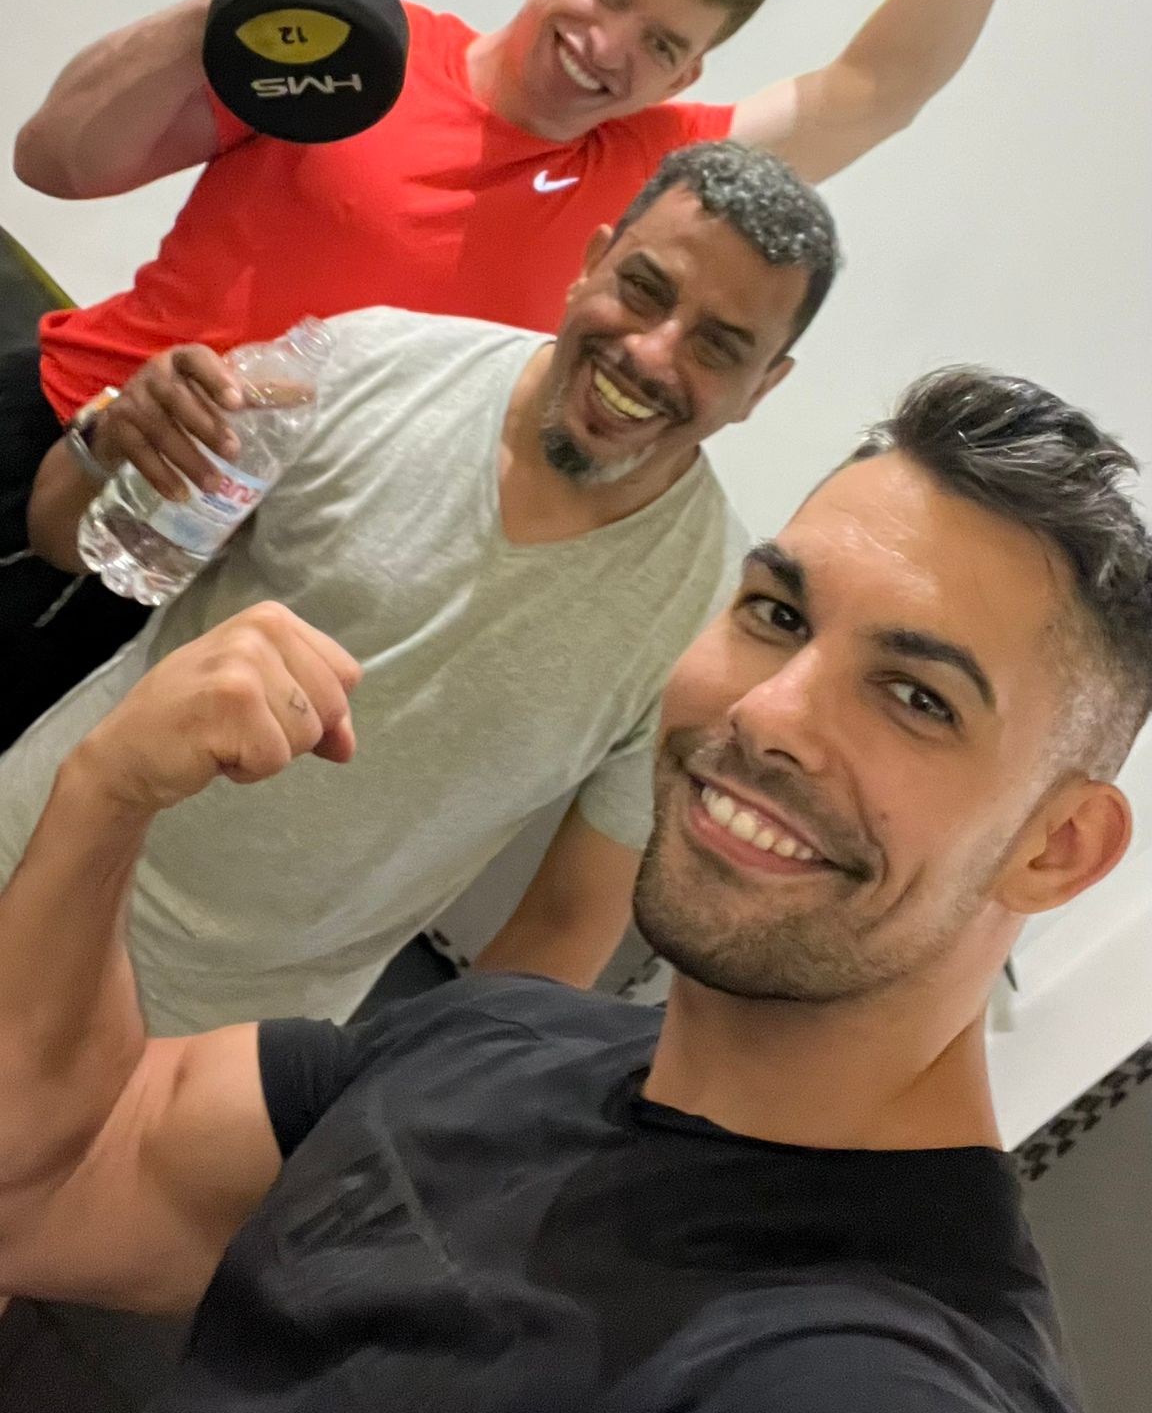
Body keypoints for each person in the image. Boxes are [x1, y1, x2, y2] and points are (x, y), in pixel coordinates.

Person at [1, 365, 1148, 1412]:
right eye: (777, 615)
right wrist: (105, 796)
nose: (767, 712)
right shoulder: (495, 1039)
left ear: (1056, 846)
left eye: (917, 696)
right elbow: (44, 1181)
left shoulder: (872, 1368)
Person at [1, 0, 1091, 726]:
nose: (609, 47)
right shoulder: (360, 43)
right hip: (56, 432)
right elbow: (57, 159)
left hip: (209, 575)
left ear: (689, 75)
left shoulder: (647, 179)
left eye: (660, 44)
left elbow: (880, 87)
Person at [0, 143, 837, 1027]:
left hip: (225, 1038)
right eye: (643, 289)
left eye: (719, 346)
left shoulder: (709, 624)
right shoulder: (368, 362)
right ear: (591, 264)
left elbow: (564, 928)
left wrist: (415, 1090)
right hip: (27, 848)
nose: (652, 353)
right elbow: (62, 538)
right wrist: (112, 439)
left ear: (763, 387)